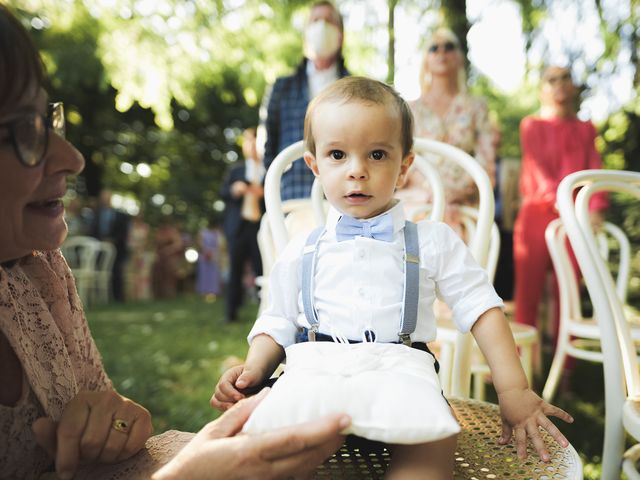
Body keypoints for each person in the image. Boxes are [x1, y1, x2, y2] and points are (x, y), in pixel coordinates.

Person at [0, 5, 348, 479]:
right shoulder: (284, 88)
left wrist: (120, 419)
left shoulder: (40, 272)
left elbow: (113, 413)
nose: (74, 158)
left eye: (49, 120)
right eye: (25, 132)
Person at [212, 77, 574, 478]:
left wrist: (513, 390)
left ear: (404, 167)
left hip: (402, 372)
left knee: (432, 443)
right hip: (315, 370)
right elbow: (277, 320)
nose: (357, 171)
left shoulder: (433, 240)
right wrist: (253, 371)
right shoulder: (302, 247)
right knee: (264, 444)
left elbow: (481, 309)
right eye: (337, 154)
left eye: (377, 154)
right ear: (314, 166)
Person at [513, 65, 607, 343]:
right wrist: (562, 202)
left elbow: (594, 171)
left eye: (565, 77)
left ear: (573, 85)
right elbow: (538, 172)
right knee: (527, 291)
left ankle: (565, 370)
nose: (559, 83)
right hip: (536, 214)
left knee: (568, 292)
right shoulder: (532, 125)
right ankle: (520, 361)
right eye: (551, 79)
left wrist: (595, 208)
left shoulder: (586, 129)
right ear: (542, 88)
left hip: (576, 218)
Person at [397, 27, 495, 231]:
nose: (441, 52)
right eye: (434, 48)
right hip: (419, 195)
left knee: (455, 228)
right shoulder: (409, 109)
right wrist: (433, 191)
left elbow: (486, 161)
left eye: (449, 47)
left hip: (463, 200)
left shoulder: (477, 107)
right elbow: (400, 157)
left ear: (459, 57)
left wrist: (454, 194)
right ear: (426, 60)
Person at [261, 0, 349, 201]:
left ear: (340, 35)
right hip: (292, 197)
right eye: (315, 20)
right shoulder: (282, 87)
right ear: (306, 33)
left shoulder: (355, 89)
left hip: (343, 200)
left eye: (329, 20)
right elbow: (269, 145)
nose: (322, 26)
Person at [220, 128, 265, 322]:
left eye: (255, 142)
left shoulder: (269, 169)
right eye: (248, 142)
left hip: (260, 226)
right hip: (238, 227)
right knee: (235, 270)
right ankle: (231, 313)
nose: (252, 146)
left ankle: (266, 311)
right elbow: (222, 193)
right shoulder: (236, 170)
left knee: (263, 268)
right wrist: (234, 190)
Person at [90, 189, 131, 302]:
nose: (105, 200)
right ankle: (100, 298)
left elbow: (123, 232)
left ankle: (118, 298)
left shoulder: (120, 215)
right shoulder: (96, 214)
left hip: (117, 248)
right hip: (99, 248)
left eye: (107, 197)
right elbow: (92, 231)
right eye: (103, 197)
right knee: (99, 272)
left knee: (117, 272)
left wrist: (113, 240)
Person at [196, 216, 222, 300]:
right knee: (204, 274)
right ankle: (204, 291)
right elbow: (199, 243)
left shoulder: (218, 233)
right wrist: (205, 251)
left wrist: (212, 253)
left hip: (214, 256)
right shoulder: (202, 232)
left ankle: (213, 291)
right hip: (204, 255)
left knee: (213, 274)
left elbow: (220, 245)